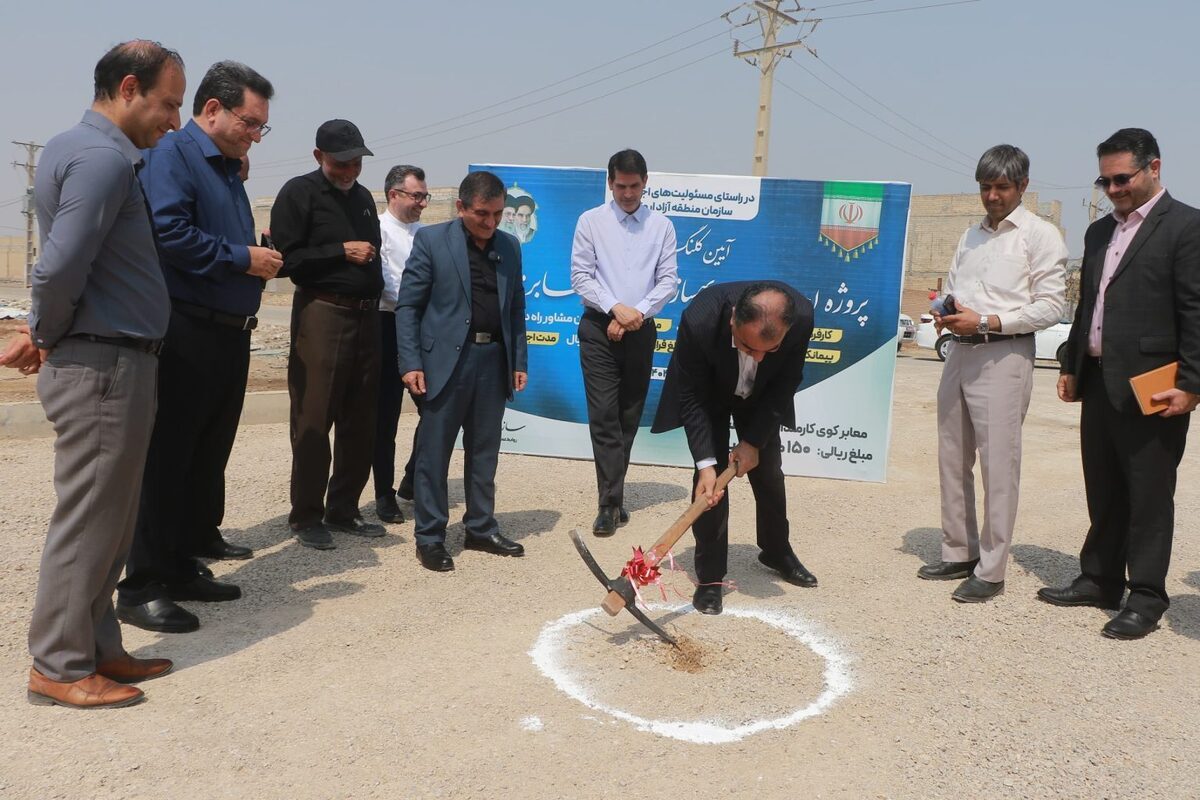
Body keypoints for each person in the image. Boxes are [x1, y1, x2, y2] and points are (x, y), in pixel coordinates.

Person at [21, 40, 185, 708]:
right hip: (101, 362)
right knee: (91, 519)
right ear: (128, 87)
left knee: (112, 519)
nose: (173, 120)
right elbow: (59, 267)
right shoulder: (99, 159)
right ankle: (58, 665)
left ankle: (97, 647)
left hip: (115, 359)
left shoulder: (88, 150)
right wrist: (45, 331)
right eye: (168, 103)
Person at [114, 61, 279, 634]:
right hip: (184, 330)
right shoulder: (173, 157)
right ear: (212, 109)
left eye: (261, 127)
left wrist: (254, 254)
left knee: (203, 458)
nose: (254, 134)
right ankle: (141, 584)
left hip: (228, 333)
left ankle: (181, 563)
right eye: (249, 122)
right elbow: (168, 233)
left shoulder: (229, 170)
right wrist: (242, 259)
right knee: (166, 459)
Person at [1039, 128, 1200, 639]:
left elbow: (1196, 311)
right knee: (1104, 486)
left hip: (1155, 386)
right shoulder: (1098, 232)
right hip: (1100, 383)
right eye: (1104, 180)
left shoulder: (1187, 227)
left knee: (1149, 494)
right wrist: (1070, 363)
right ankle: (1100, 579)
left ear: (1154, 168)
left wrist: (1193, 383)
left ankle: (1147, 595)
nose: (1113, 190)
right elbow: (1089, 304)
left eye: (1122, 179)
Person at [923, 145, 1068, 603]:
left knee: (998, 464)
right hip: (960, 353)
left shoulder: (1040, 236)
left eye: (1002, 187)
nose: (992, 196)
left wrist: (985, 321)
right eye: (985, 187)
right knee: (952, 456)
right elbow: (952, 288)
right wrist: (947, 312)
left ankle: (991, 568)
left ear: (1023, 186)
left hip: (1004, 356)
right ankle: (958, 550)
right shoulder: (970, 235)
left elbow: (1052, 306)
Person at [650, 281, 815, 615]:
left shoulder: (801, 316)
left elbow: (786, 381)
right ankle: (710, 578)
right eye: (746, 345)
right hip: (709, 392)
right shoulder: (699, 318)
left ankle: (776, 550)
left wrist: (753, 442)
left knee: (768, 471)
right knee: (708, 490)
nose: (755, 357)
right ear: (733, 319)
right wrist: (706, 464)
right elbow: (691, 395)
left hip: (762, 396)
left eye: (767, 350)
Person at [396, 171, 528, 572]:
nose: (490, 223)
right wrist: (411, 362)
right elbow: (409, 307)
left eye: (497, 214)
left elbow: (516, 309)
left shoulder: (508, 246)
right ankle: (430, 537)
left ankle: (481, 527)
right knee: (434, 455)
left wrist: (518, 361)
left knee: (485, 451)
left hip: (493, 362)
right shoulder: (433, 241)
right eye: (482, 215)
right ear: (461, 207)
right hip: (443, 365)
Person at [271, 119, 386, 549]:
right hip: (323, 314)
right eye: (341, 163)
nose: (349, 170)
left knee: (360, 420)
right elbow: (287, 259)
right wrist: (340, 251)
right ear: (319, 156)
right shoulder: (298, 193)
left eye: (356, 162)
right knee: (314, 418)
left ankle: (344, 508)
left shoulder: (361, 199)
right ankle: (306, 515)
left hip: (366, 318)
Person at [570, 148, 678, 536]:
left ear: (645, 183)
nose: (627, 193)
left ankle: (613, 495)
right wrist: (616, 309)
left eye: (634, 186)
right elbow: (581, 277)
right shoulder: (590, 221)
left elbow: (668, 281)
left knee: (628, 418)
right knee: (603, 416)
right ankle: (608, 504)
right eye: (620, 186)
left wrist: (636, 314)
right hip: (598, 329)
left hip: (641, 329)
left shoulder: (662, 226)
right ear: (610, 183)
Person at [374, 164, 428, 523]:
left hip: (424, 331)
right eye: (416, 196)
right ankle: (383, 493)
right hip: (387, 327)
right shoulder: (377, 231)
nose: (422, 203)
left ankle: (412, 477)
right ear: (394, 194)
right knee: (385, 418)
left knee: (435, 410)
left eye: (425, 196)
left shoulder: (426, 235)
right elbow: (389, 286)